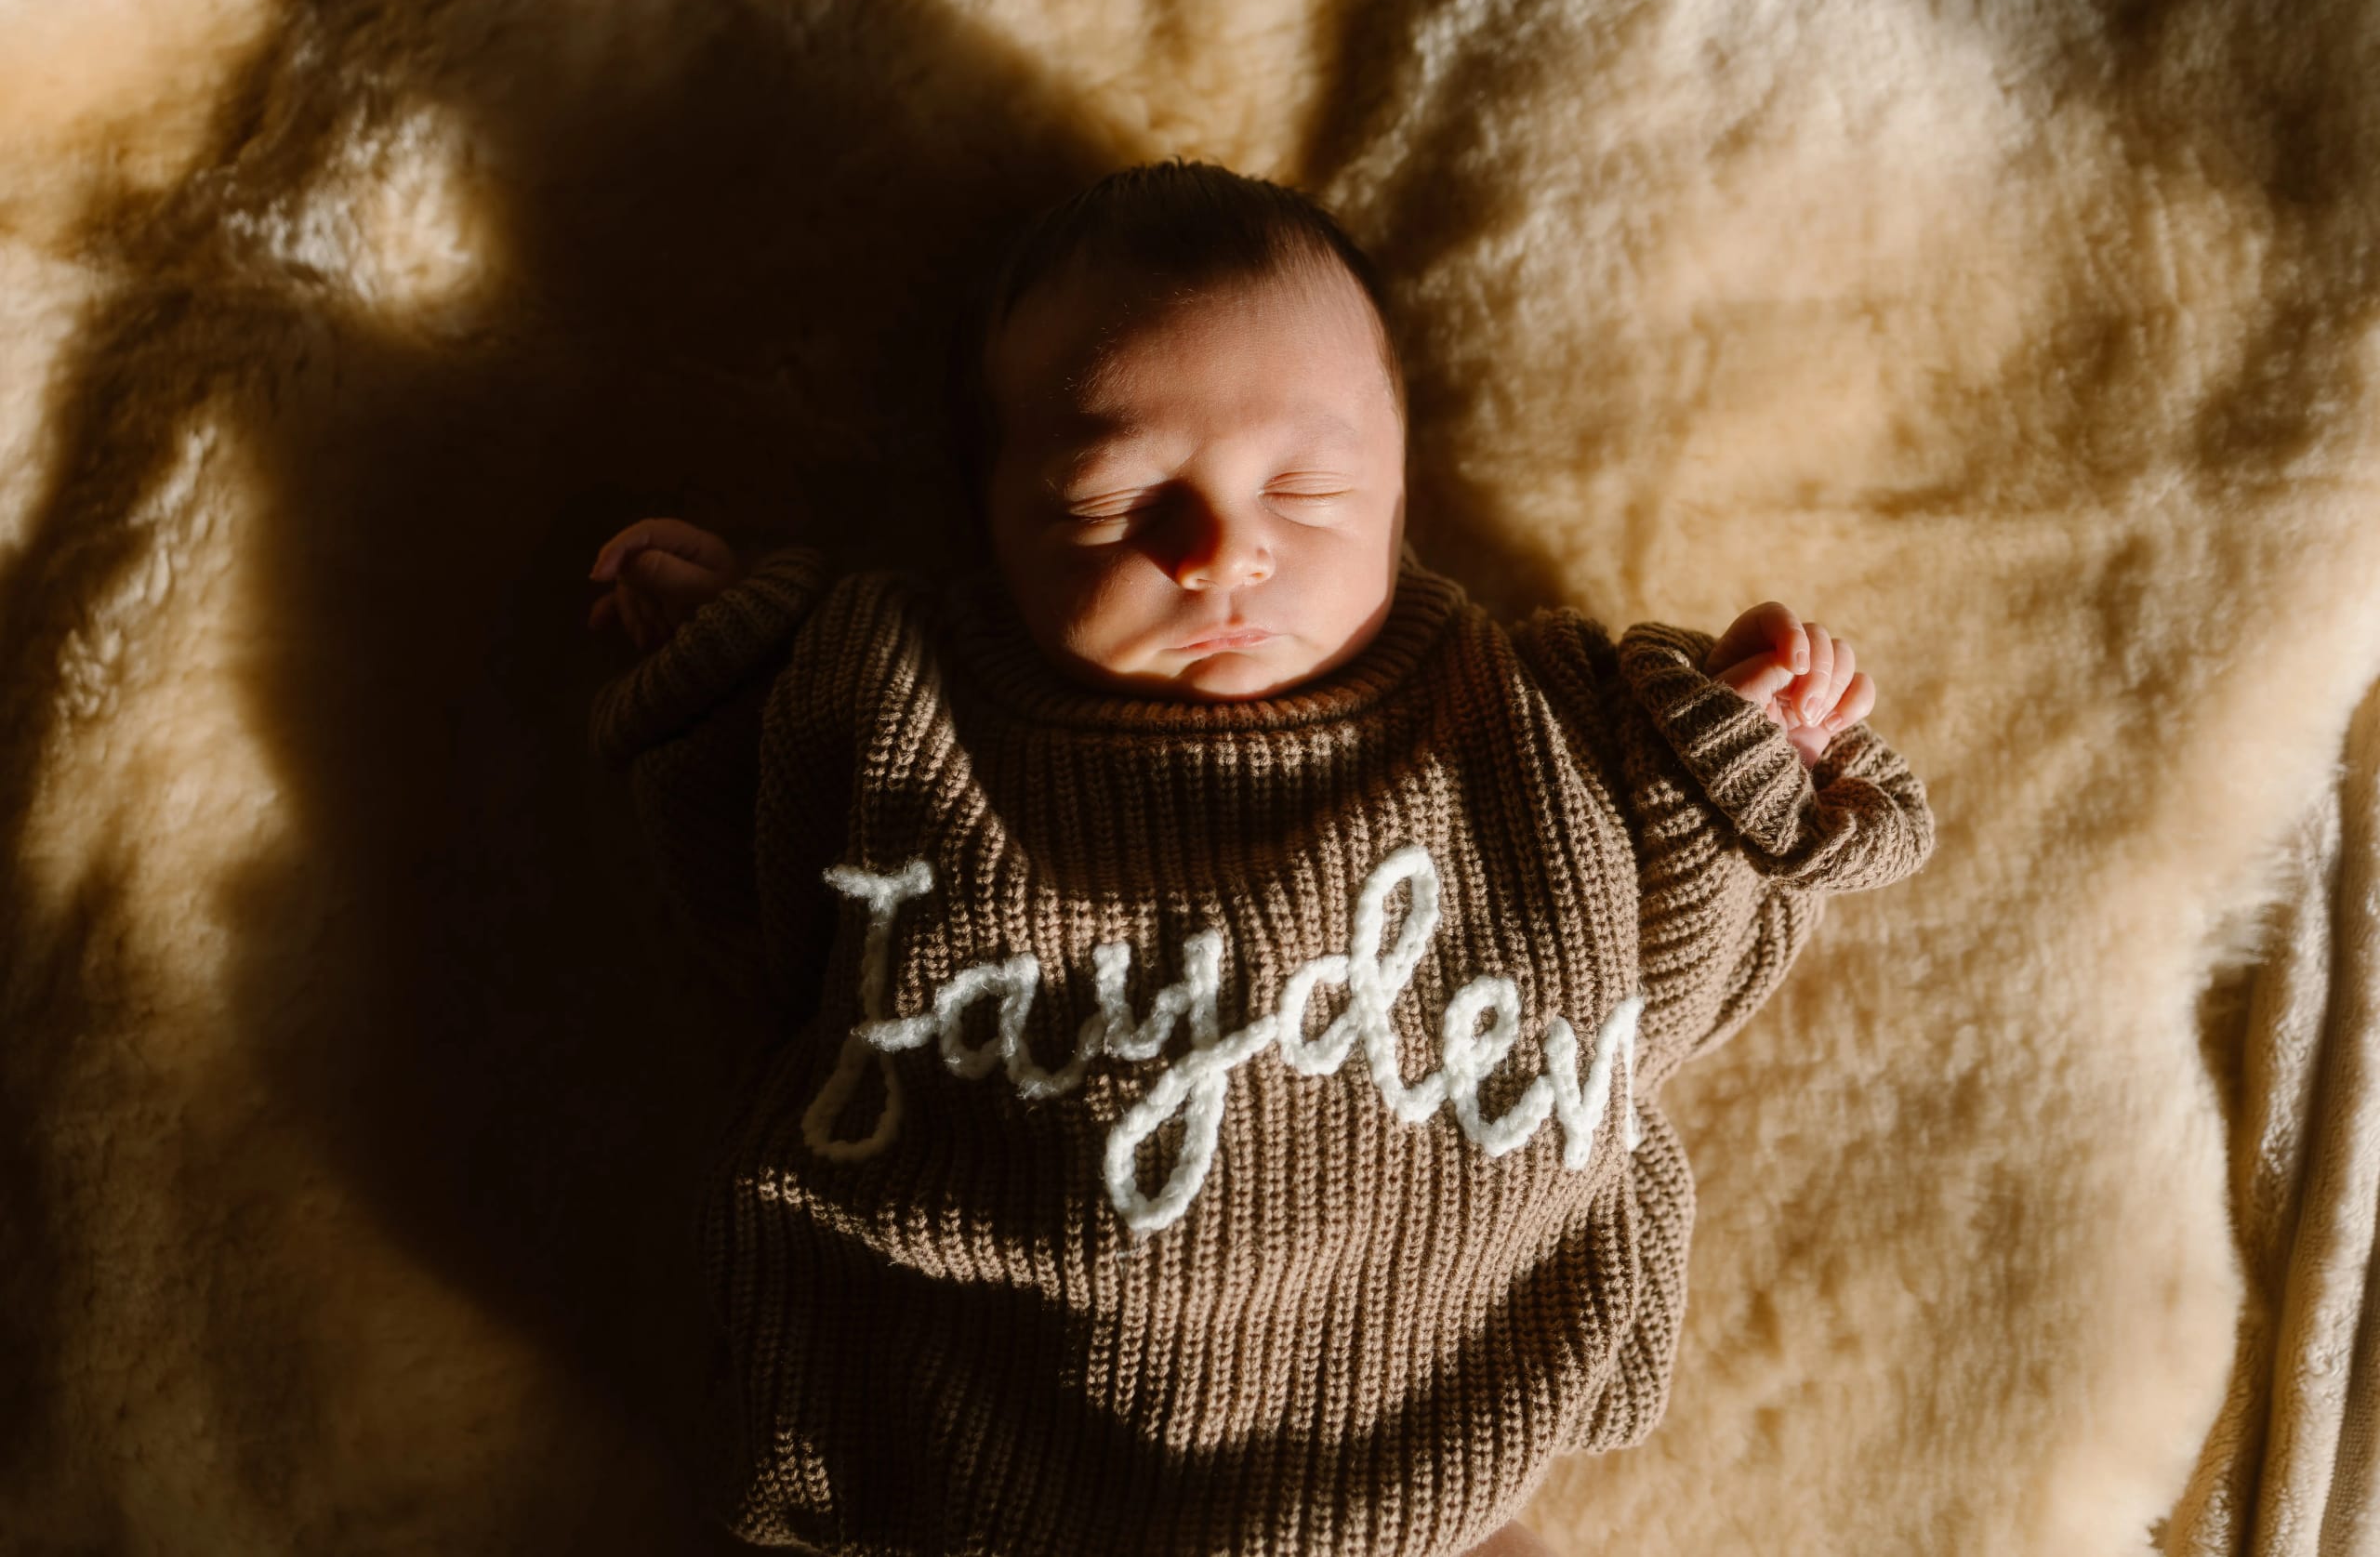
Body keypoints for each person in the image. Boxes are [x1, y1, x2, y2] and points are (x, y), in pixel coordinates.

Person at [585, 158, 1934, 1557]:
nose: (1222, 549)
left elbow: (1680, 963)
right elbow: (748, 890)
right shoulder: (905, 708)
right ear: (989, 523)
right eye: (1113, 502)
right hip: (985, 1441)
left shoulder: (1534, 725)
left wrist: (1746, 747)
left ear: (1403, 501)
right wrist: (722, 664)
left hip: (1434, 1441)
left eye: (1306, 488)